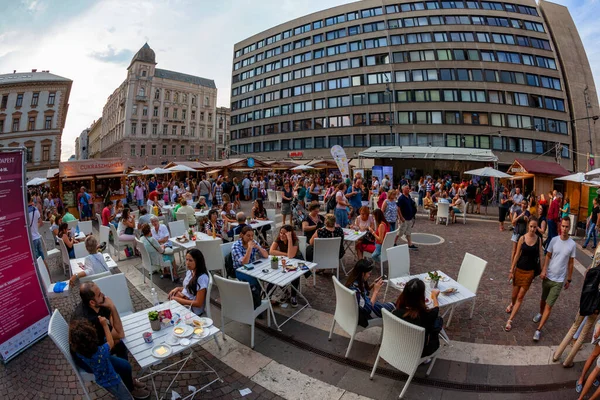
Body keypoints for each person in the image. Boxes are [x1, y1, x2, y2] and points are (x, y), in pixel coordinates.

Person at [71, 282, 148, 398]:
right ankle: (130, 389)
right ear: (92, 302)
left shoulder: (95, 305)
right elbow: (120, 333)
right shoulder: (91, 320)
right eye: (99, 294)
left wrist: (111, 313)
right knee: (125, 366)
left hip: (94, 345)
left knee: (121, 345)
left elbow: (116, 329)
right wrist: (112, 307)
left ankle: (127, 379)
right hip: (89, 358)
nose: (103, 295)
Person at [69, 318, 147, 399]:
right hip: (114, 380)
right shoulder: (101, 353)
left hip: (103, 381)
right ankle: (130, 390)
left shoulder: (79, 352)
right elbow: (110, 343)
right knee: (126, 397)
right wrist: (105, 325)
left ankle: (128, 382)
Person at [533, 217, 576, 341]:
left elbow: (571, 263)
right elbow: (548, 256)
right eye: (563, 226)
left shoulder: (572, 244)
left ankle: (538, 329)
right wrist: (544, 270)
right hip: (548, 276)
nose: (564, 229)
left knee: (549, 305)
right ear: (560, 227)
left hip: (558, 280)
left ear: (569, 228)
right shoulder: (554, 240)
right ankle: (540, 313)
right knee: (543, 300)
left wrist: (569, 279)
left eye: (567, 226)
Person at [505, 218, 544, 332]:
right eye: (531, 226)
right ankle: (512, 304)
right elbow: (517, 255)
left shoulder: (539, 240)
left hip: (530, 272)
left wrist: (541, 270)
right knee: (514, 295)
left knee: (520, 297)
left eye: (535, 227)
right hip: (519, 270)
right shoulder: (522, 238)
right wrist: (511, 270)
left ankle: (510, 320)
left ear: (537, 228)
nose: (532, 229)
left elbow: (540, 255)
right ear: (528, 226)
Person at [394, 278, 441, 357]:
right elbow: (436, 309)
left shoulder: (396, 311)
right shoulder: (426, 316)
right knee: (438, 320)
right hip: (420, 352)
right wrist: (434, 297)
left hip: (398, 346)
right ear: (421, 296)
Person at [345, 259, 395, 326]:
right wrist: (375, 291)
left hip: (354, 310)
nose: (369, 276)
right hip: (367, 314)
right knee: (394, 306)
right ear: (363, 274)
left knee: (388, 305)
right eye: (369, 273)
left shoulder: (353, 283)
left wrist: (373, 284)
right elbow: (368, 309)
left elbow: (363, 293)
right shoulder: (356, 292)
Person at [269, 225, 304, 307]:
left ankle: (293, 295)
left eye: (284, 233)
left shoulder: (294, 241)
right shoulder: (278, 238)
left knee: (295, 274)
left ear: (290, 234)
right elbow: (271, 251)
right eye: (281, 233)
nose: (281, 235)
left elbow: (291, 255)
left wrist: (289, 239)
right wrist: (285, 254)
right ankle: (285, 292)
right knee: (278, 273)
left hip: (297, 259)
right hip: (285, 260)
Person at [168, 249, 209, 315]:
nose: (187, 263)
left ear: (198, 262)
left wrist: (179, 300)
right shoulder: (190, 272)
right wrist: (178, 288)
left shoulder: (202, 278)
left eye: (190, 260)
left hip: (192, 310)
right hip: (185, 302)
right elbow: (189, 288)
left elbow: (198, 303)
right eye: (186, 260)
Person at [27, 193, 46, 268]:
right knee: (43, 260)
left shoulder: (25, 212)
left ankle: (41, 279)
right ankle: (49, 277)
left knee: (37, 263)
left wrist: (31, 230)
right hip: (37, 237)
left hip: (32, 239)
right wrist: (34, 228)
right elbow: (41, 223)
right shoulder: (35, 209)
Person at [397, 185, 418, 250]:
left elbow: (412, 204)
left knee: (408, 232)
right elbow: (398, 208)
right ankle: (394, 242)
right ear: (403, 189)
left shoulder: (408, 196)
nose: (409, 189)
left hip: (409, 217)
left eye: (409, 188)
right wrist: (401, 217)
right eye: (407, 188)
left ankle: (410, 244)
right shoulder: (401, 198)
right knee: (400, 232)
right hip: (404, 218)